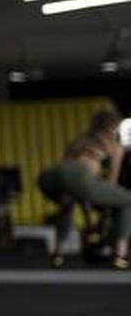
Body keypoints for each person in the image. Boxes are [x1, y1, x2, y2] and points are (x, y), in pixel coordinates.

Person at [39, 109, 129, 269]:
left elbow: (76, 186)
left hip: (51, 176)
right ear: (113, 127)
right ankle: (120, 256)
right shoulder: (115, 146)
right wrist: (100, 221)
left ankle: (57, 254)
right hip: (80, 176)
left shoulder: (80, 140)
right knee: (128, 200)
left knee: (67, 203)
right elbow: (111, 182)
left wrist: (89, 221)